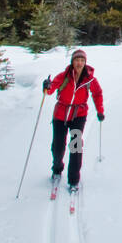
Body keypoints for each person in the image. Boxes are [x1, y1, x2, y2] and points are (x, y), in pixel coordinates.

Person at [42, 48, 104, 193]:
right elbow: (50, 90)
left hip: (78, 115)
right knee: (58, 146)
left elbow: (97, 93)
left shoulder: (90, 79)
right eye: (77, 60)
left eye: (82, 60)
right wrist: (46, 86)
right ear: (72, 62)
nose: (79, 63)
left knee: (75, 146)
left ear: (85, 62)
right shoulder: (64, 76)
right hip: (60, 115)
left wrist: (100, 111)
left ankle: (74, 179)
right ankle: (57, 168)